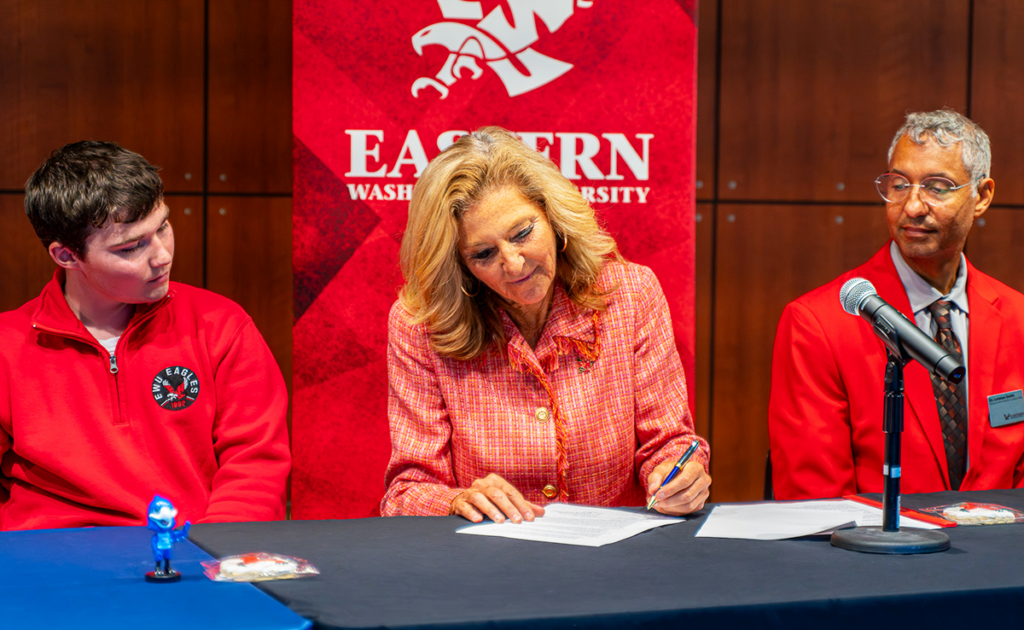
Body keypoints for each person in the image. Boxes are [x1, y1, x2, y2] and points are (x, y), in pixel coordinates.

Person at [381, 126, 710, 523]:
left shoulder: (631, 293)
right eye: (484, 253)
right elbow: (407, 492)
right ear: (459, 266)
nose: (514, 264)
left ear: (553, 218)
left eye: (522, 233)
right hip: (489, 565)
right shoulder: (422, 327)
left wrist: (680, 475)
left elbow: (670, 444)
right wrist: (454, 501)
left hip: (616, 561)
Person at [0, 141, 290, 530]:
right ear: (66, 256)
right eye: (131, 247)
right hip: (47, 564)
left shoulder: (221, 326)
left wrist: (212, 556)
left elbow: (255, 465)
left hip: (185, 557)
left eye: (163, 227)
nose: (162, 256)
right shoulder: (8, 345)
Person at [769, 108, 1024, 500]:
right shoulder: (819, 323)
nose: (913, 206)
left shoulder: (1018, 318)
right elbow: (815, 504)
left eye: (937, 186)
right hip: (880, 555)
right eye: (899, 184)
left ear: (982, 197)